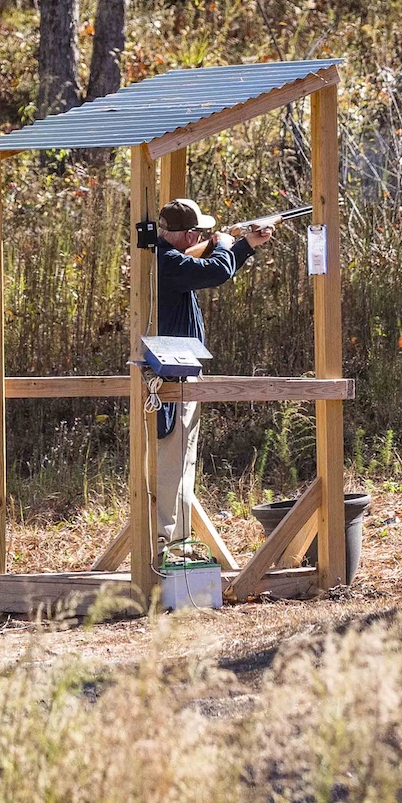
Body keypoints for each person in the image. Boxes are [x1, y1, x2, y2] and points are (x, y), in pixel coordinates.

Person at [151, 198, 273, 549]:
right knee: (170, 465)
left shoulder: (170, 259)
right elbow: (217, 271)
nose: (204, 236)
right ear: (190, 235)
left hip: (182, 375)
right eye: (200, 232)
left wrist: (246, 245)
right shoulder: (167, 261)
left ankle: (178, 540)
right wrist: (224, 245)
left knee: (182, 462)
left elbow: (214, 268)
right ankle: (165, 545)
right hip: (170, 378)